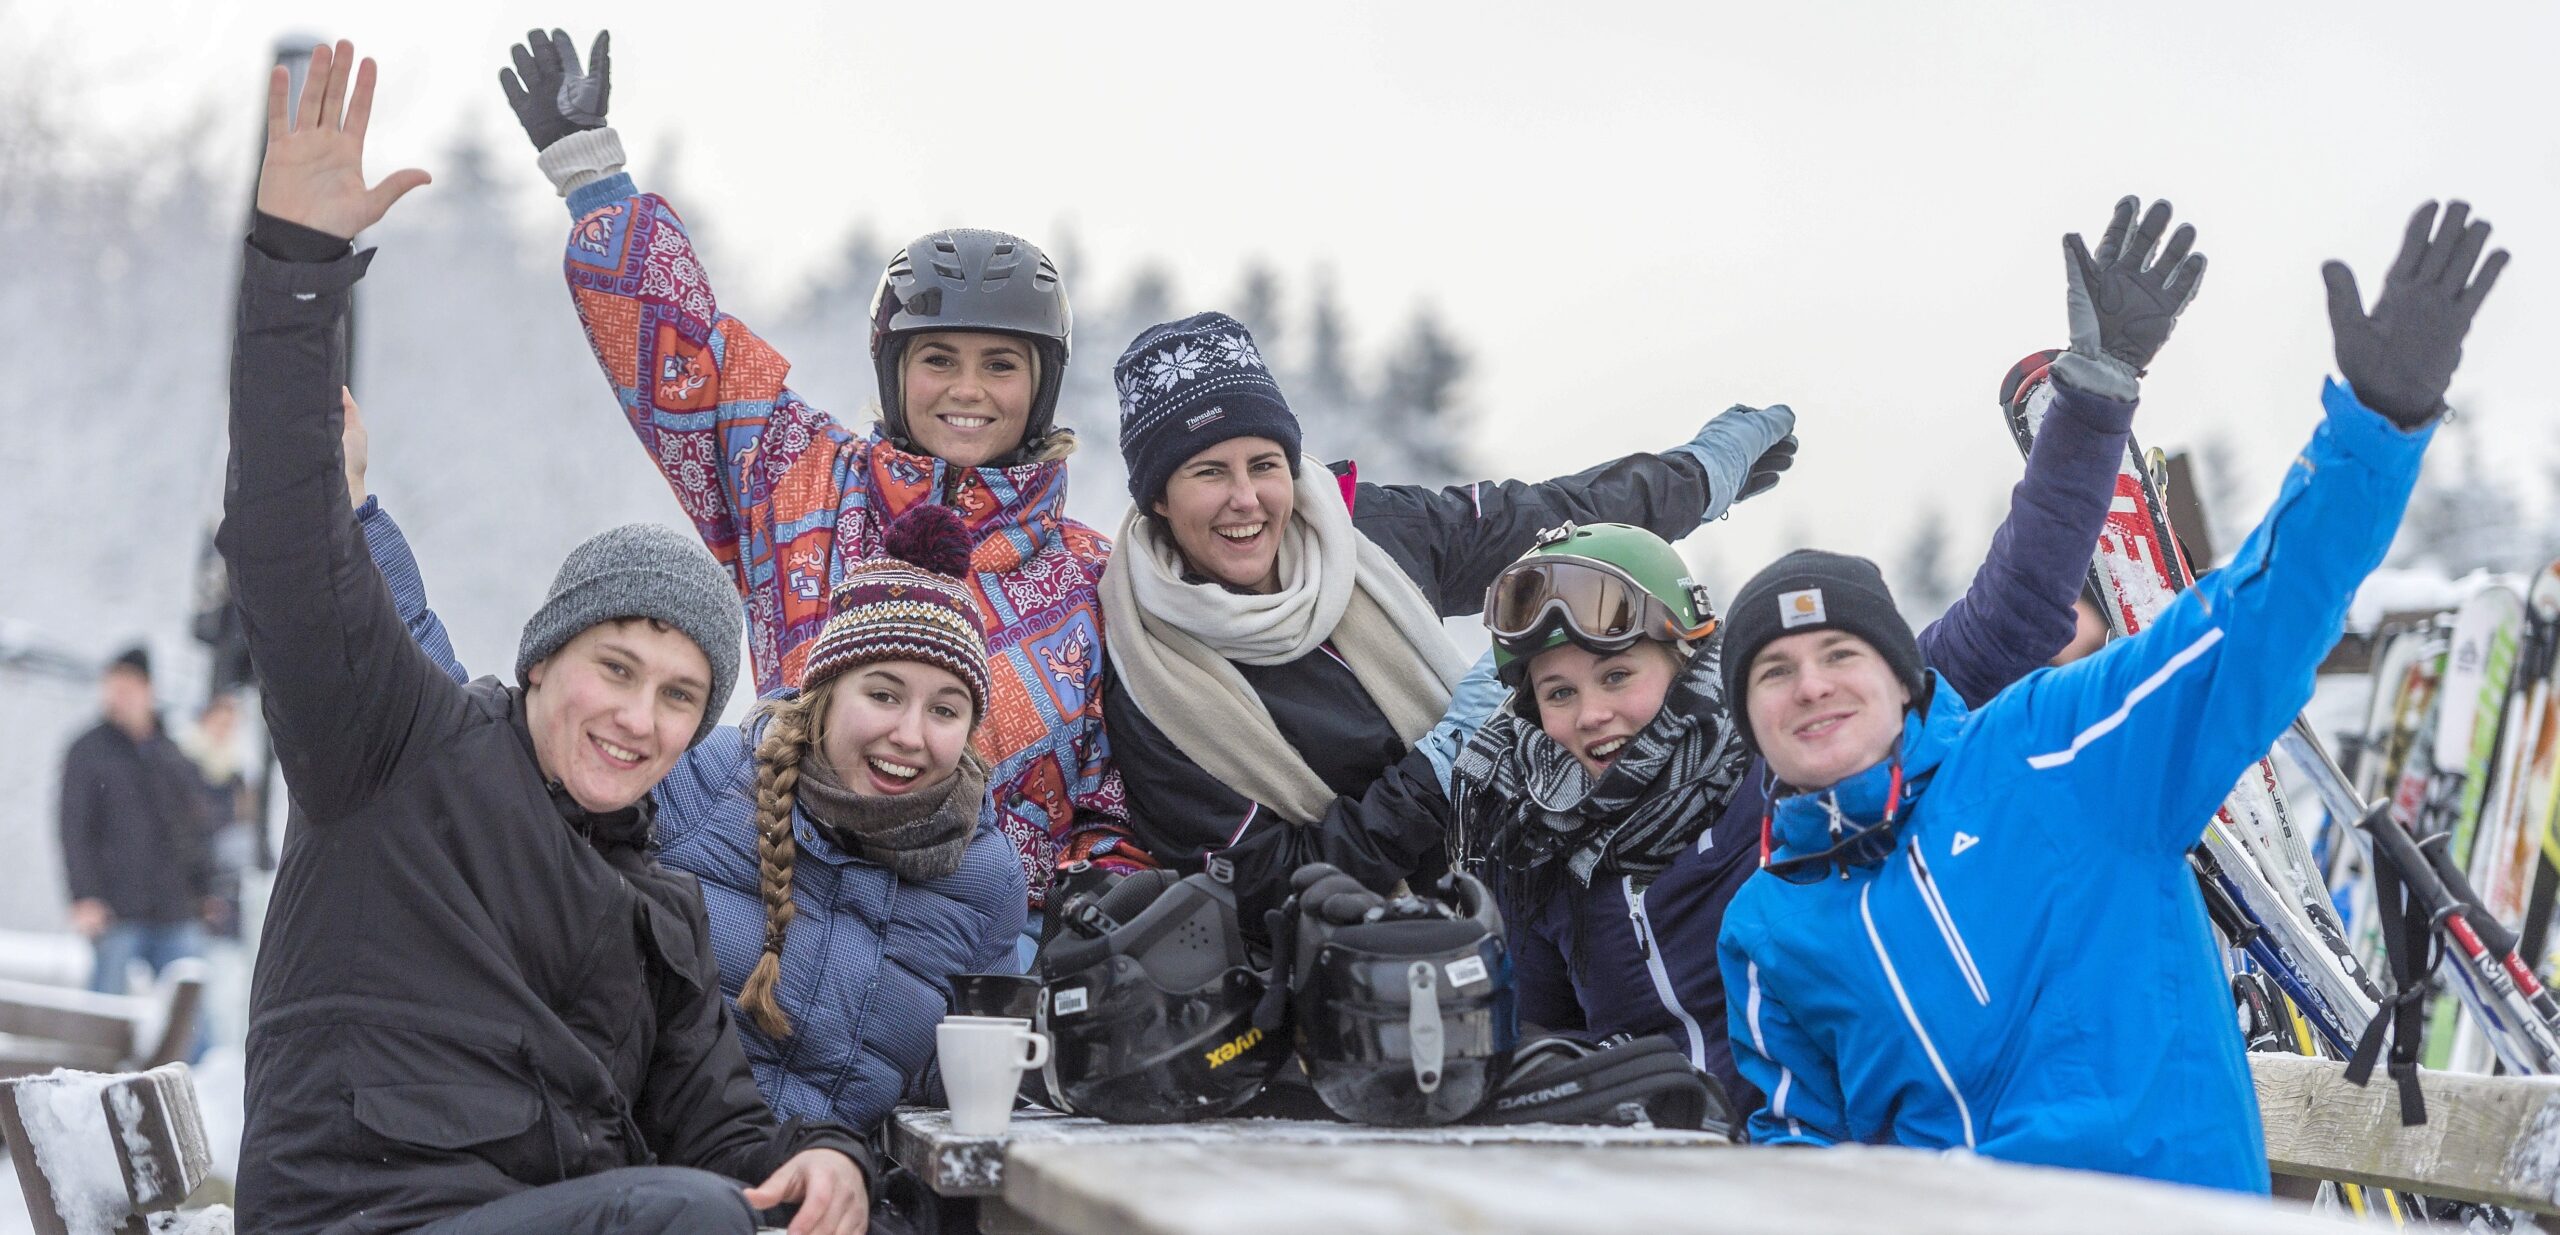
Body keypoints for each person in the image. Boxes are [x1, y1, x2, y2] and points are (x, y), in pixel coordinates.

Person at [1716, 200, 2505, 1192]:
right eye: (1773, 670)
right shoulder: (1766, 927)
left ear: (1903, 675)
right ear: (1746, 716)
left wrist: (2374, 430)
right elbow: (1799, 1169)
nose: (1812, 684)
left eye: (1839, 651)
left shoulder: (2050, 748)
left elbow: (2249, 625)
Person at [225, 43, 870, 1235]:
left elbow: (726, 1133)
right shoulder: (393, 749)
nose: (640, 716)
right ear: (541, 663)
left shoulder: (658, 902)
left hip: (538, 1216)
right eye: (616, 669)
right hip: (362, 1217)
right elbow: (283, 539)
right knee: (682, 1220)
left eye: (681, 696)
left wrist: (829, 1157)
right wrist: (296, 271)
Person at [1454, 196, 2196, 1106]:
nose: (1590, 714)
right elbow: (1543, 1048)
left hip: (1834, 1173)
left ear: (1686, 664)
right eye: (1558, 693)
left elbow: (2014, 615)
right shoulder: (1538, 845)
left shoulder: (1791, 760)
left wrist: (2092, 401)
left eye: (1617, 675)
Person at [500, 30, 1125, 947]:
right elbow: (690, 362)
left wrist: (1078, 931)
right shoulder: (805, 483)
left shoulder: (1093, 582)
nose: (966, 389)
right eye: (938, 359)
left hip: (986, 967)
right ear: (892, 371)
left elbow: (1117, 795)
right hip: (777, 930)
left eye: (1000, 365)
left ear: (1043, 387)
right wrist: (595, 179)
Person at [350, 404, 1027, 1132]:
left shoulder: (984, 880)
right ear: (826, 697)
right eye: (883, 693)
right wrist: (354, 518)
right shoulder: (700, 786)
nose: (910, 734)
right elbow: (469, 744)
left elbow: (969, 1082)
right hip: (663, 1181)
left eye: (946, 709)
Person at [1100, 310, 1796, 923]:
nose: (1247, 499)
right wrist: (1436, 773)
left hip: (1530, 889)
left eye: (1264, 464)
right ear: (1159, 497)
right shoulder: (1152, 676)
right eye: (1209, 473)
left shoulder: (1367, 534)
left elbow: (1545, 521)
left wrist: (1695, 479)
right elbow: (1260, 887)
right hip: (1368, 977)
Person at [58, 645, 217, 994]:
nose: (118, 698)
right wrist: (84, 896)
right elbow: (74, 829)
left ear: (148, 691)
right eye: (113, 689)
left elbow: (192, 826)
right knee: (106, 1012)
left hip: (174, 907)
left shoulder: (169, 753)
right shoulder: (88, 751)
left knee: (191, 1017)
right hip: (116, 908)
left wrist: (204, 890)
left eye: (127, 689)